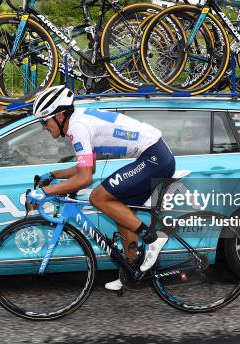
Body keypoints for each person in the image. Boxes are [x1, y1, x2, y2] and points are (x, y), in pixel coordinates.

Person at [25, 86, 176, 291]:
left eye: (44, 120)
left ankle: (152, 238)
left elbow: (85, 179)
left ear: (59, 116)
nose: (43, 126)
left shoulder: (77, 128)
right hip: (153, 156)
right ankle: (133, 271)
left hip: (155, 157)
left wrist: (45, 192)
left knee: (99, 197)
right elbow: (88, 168)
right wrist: (53, 176)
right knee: (119, 210)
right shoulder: (77, 123)